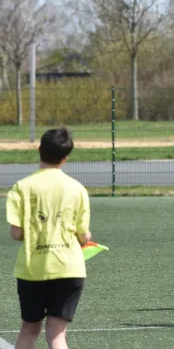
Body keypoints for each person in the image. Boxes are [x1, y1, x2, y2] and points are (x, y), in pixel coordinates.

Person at [6, 127, 92, 349]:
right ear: (65, 157)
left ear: (39, 150)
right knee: (56, 336)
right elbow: (83, 235)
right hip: (69, 268)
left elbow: (16, 233)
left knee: (29, 329)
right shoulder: (77, 189)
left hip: (33, 268)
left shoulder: (21, 188)